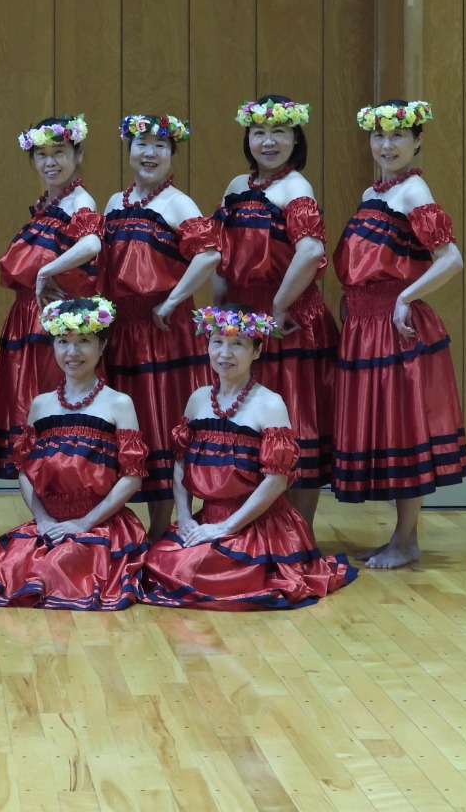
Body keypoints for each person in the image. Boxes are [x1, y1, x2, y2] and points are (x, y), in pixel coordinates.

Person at [141, 307, 357, 610]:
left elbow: (276, 480)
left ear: (256, 351)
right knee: (157, 563)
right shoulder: (198, 399)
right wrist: (186, 518)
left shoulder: (270, 404)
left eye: (238, 344)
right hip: (208, 518)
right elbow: (180, 463)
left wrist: (227, 527)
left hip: (259, 524)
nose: (225, 353)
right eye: (217, 342)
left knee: (199, 570)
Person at [334, 100, 466, 569]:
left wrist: (406, 297)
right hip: (365, 327)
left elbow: (451, 259)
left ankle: (406, 540)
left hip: (395, 330)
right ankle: (399, 537)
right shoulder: (375, 192)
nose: (387, 145)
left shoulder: (414, 191)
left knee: (404, 432)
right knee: (386, 433)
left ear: (417, 141)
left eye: (397, 136)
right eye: (379, 136)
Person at [0, 298, 148, 610]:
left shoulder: (119, 404)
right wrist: (41, 519)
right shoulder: (41, 404)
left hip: (100, 524)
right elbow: (24, 470)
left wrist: (84, 523)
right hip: (49, 522)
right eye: (63, 341)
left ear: (102, 346)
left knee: (60, 570)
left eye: (84, 341)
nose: (72, 352)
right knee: (3, 574)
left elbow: (132, 477)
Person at [212, 96, 340, 532]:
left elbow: (311, 251)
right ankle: (250, 524)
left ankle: (298, 532)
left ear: (295, 138)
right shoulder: (236, 186)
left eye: (279, 132)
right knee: (245, 420)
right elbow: (221, 257)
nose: (268, 142)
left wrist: (279, 306)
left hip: (291, 325)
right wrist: (220, 314)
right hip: (243, 319)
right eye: (259, 133)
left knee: (296, 425)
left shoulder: (297, 188)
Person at [100, 114, 222, 538]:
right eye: (142, 144)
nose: (149, 153)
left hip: (162, 331)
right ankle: (120, 525)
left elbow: (209, 254)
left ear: (172, 154)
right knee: (128, 425)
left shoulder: (178, 203)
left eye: (160, 146)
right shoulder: (115, 202)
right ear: (129, 150)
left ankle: (160, 528)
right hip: (122, 330)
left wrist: (171, 301)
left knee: (162, 421)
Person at [0, 115, 103, 481]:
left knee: (55, 408)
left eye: (60, 152)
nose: (51, 162)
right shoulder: (48, 204)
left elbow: (92, 244)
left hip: (56, 322)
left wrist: (46, 272)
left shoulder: (80, 200)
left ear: (78, 154)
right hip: (27, 320)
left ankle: (66, 493)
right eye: (41, 154)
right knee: (29, 408)